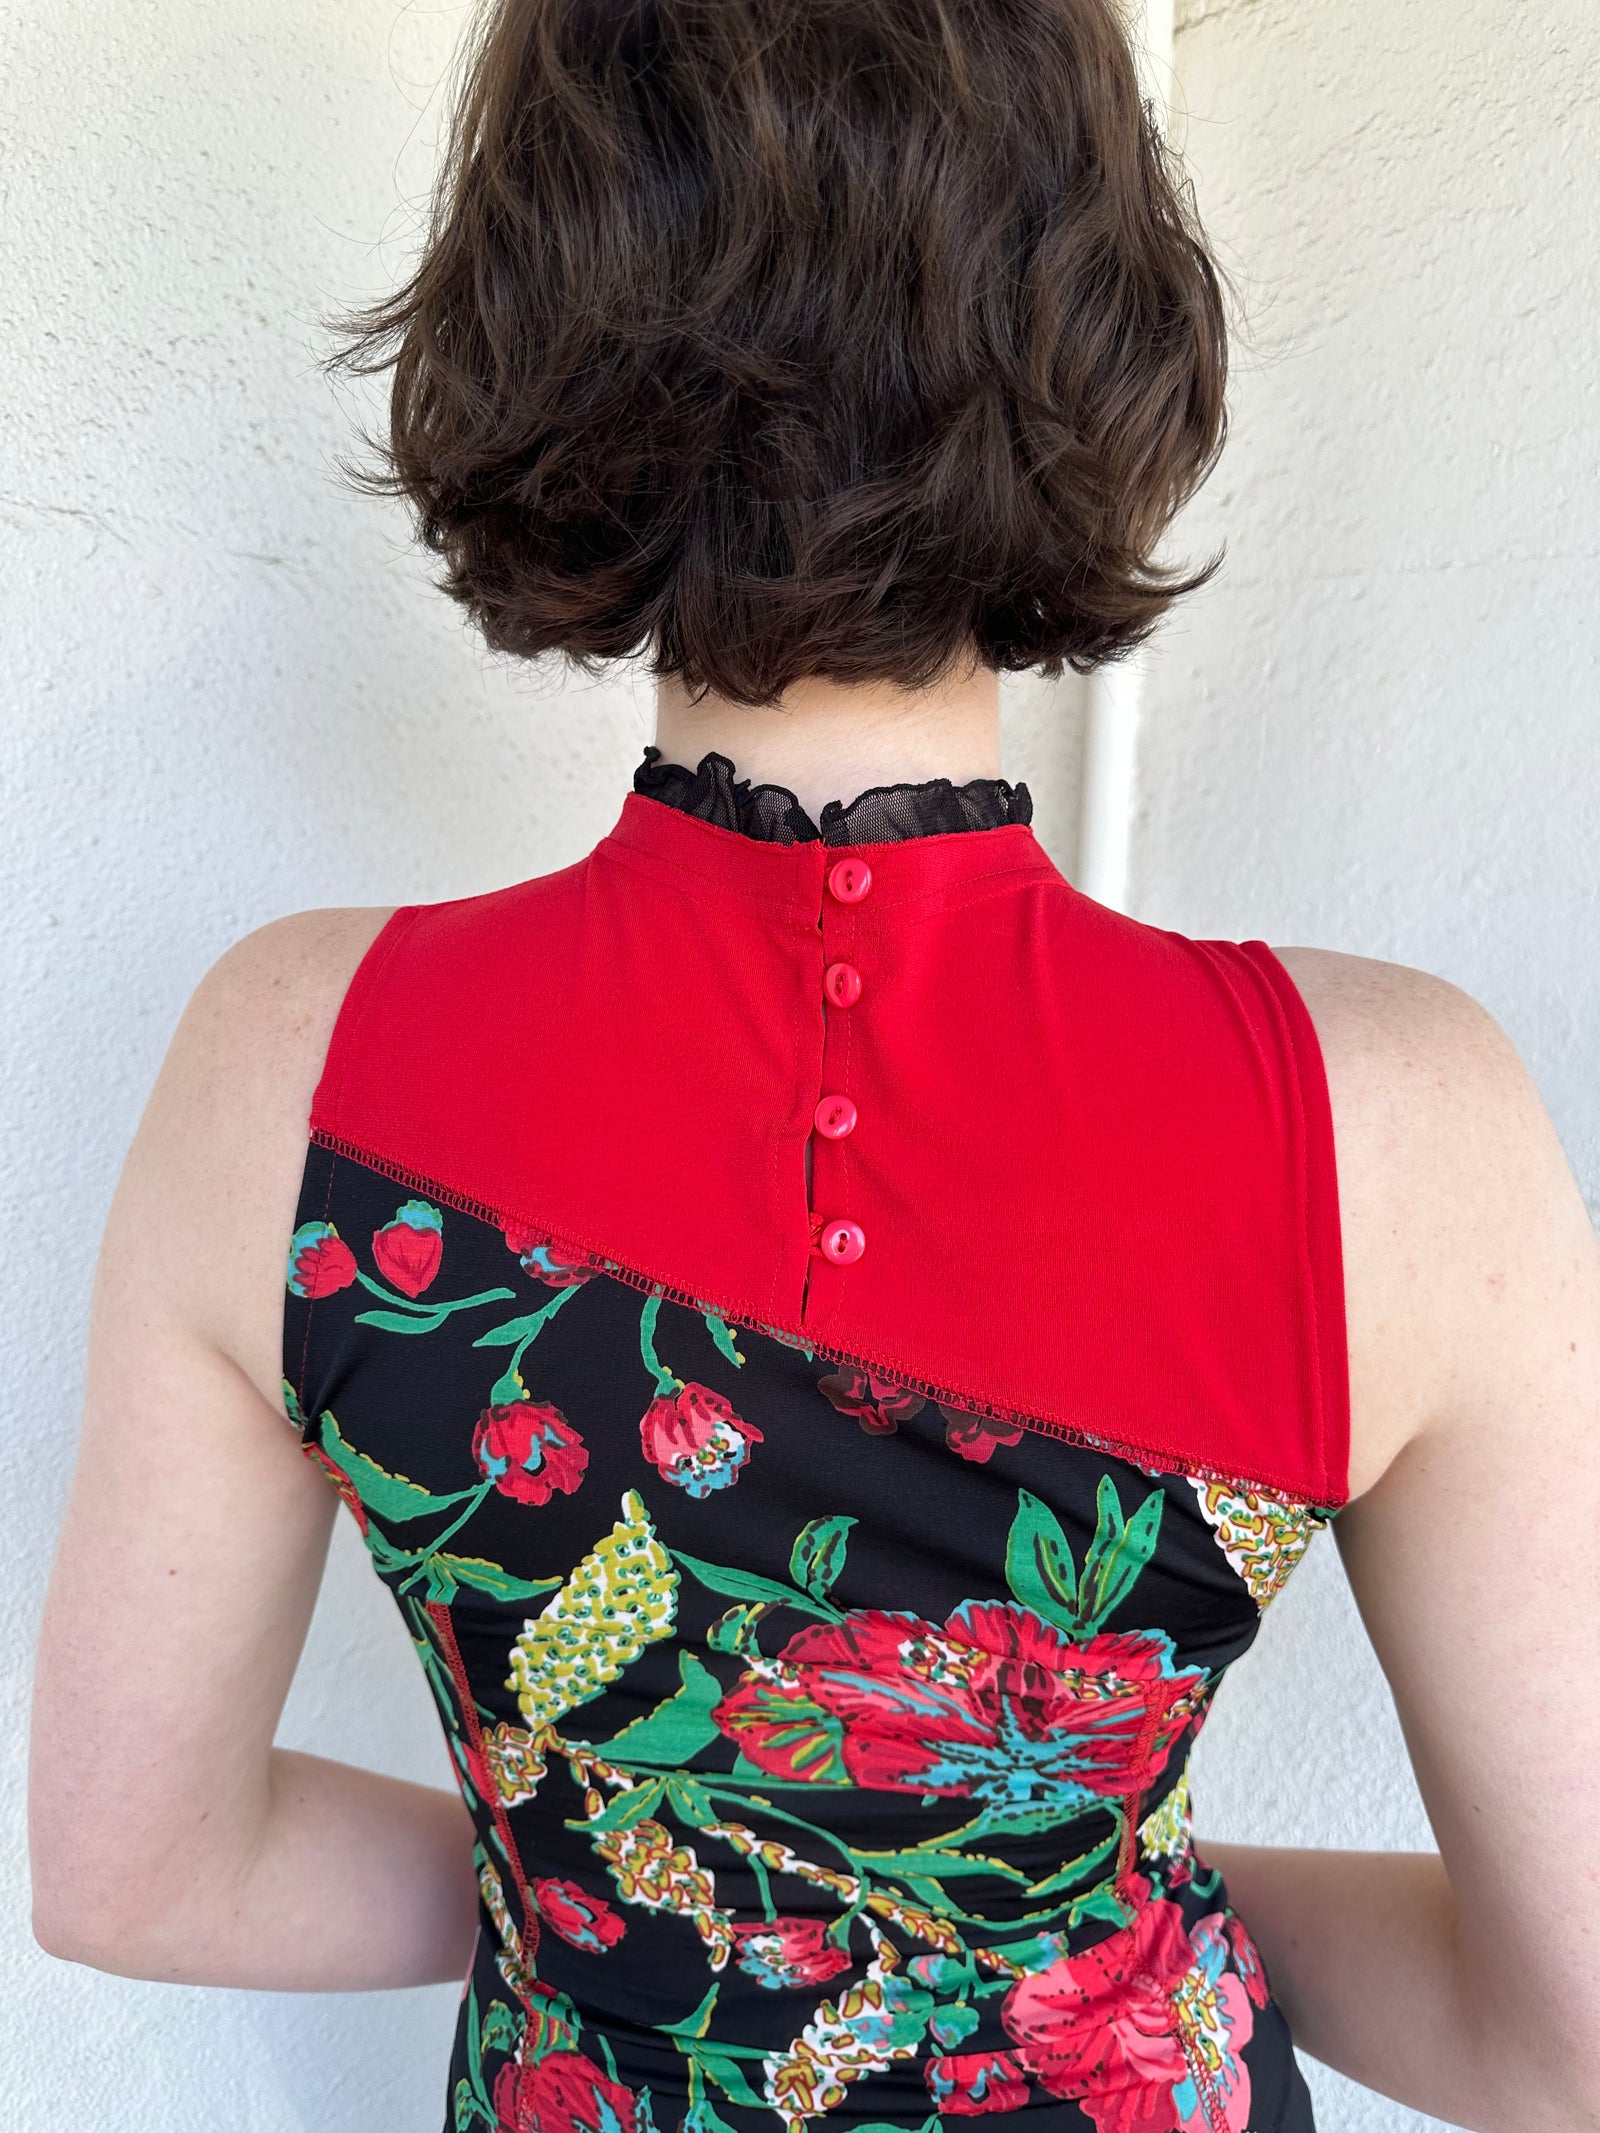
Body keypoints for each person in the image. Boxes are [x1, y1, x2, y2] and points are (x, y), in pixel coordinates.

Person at [26, 2, 1600, 2130]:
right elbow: (1566, 2031)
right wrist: (1049, 1923)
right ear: (1100, 325)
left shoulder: (284, 1067)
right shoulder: (1400, 1123)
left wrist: (633, 1910)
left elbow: (139, 1874)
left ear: (535, 319)